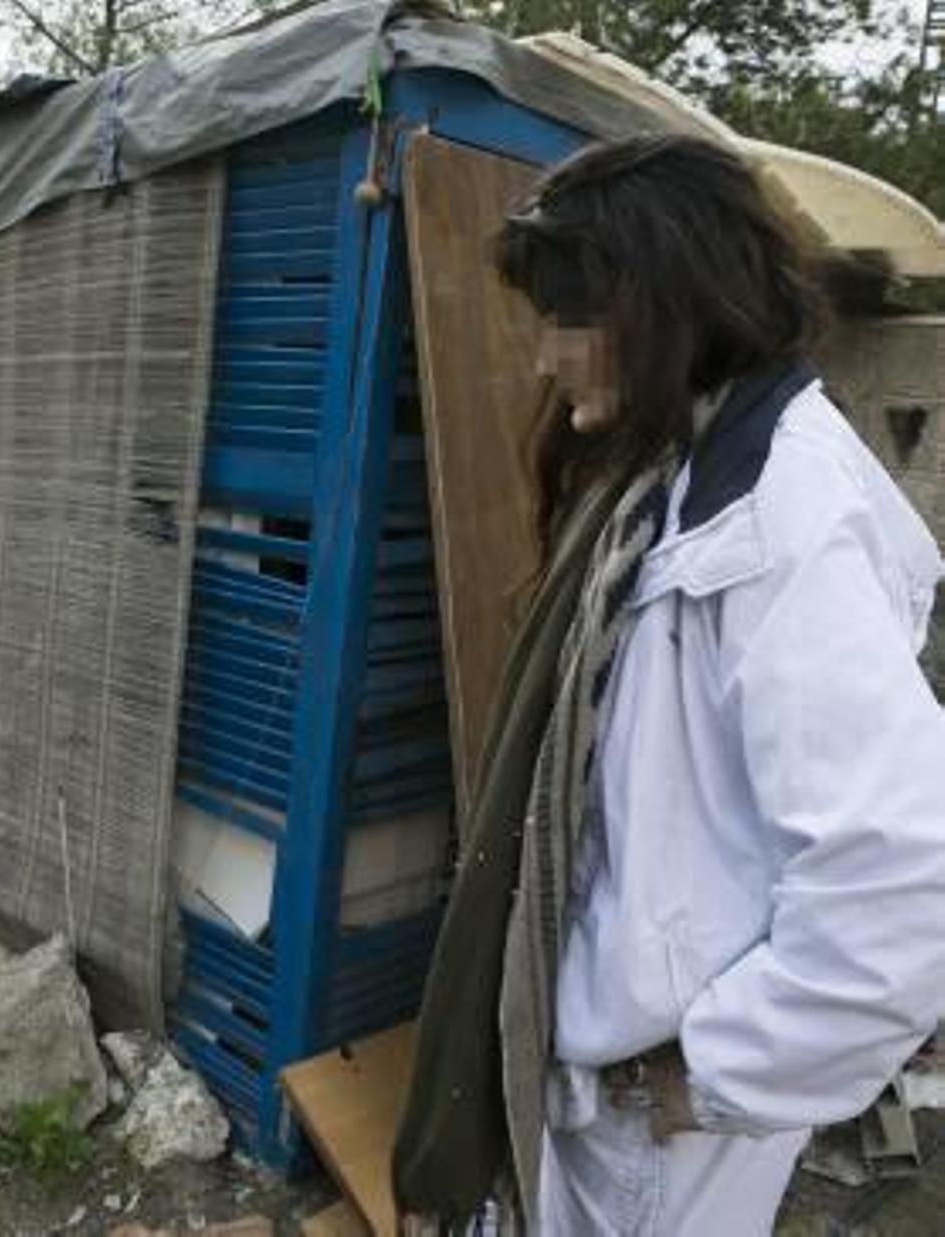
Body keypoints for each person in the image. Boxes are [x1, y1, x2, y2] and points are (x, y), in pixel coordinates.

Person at [392, 135, 945, 1235]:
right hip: (608, 1071)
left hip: (658, 1112)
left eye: (568, 319)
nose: (545, 355)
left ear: (663, 305)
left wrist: (719, 1073)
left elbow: (906, 885)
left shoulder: (785, 520)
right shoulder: (677, 469)